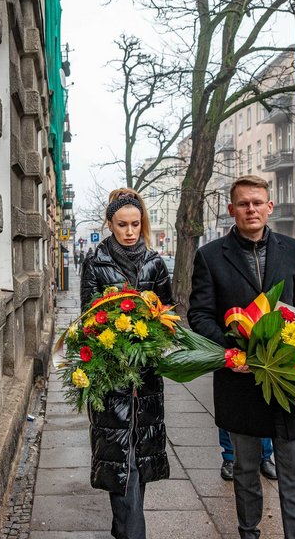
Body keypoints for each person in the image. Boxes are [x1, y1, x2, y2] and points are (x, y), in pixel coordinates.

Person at [188, 175, 295, 539]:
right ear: (232, 210)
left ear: (269, 207)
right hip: (239, 381)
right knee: (246, 469)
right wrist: (231, 351)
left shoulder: (291, 249)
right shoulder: (211, 255)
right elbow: (199, 314)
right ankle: (249, 532)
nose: (251, 209)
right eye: (243, 203)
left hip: (287, 379)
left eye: (257, 202)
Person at [79, 188, 173, 539]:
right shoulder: (96, 261)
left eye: (136, 224)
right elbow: (87, 319)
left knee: (137, 459)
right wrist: (113, 337)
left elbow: (169, 315)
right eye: (122, 225)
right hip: (111, 376)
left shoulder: (155, 263)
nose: (130, 231)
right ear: (110, 224)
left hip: (146, 379)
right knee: (121, 460)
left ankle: (127, 530)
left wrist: (153, 335)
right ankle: (131, 532)